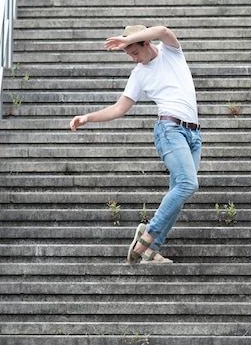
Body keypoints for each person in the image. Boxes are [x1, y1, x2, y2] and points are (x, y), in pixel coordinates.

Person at [69, 25, 202, 264]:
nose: (134, 58)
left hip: (193, 135)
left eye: (135, 52)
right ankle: (148, 234)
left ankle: (151, 251)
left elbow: (162, 30)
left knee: (179, 194)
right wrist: (88, 117)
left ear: (146, 43)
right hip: (169, 130)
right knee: (188, 183)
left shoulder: (171, 52)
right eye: (129, 55)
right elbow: (119, 108)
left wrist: (124, 38)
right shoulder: (139, 74)